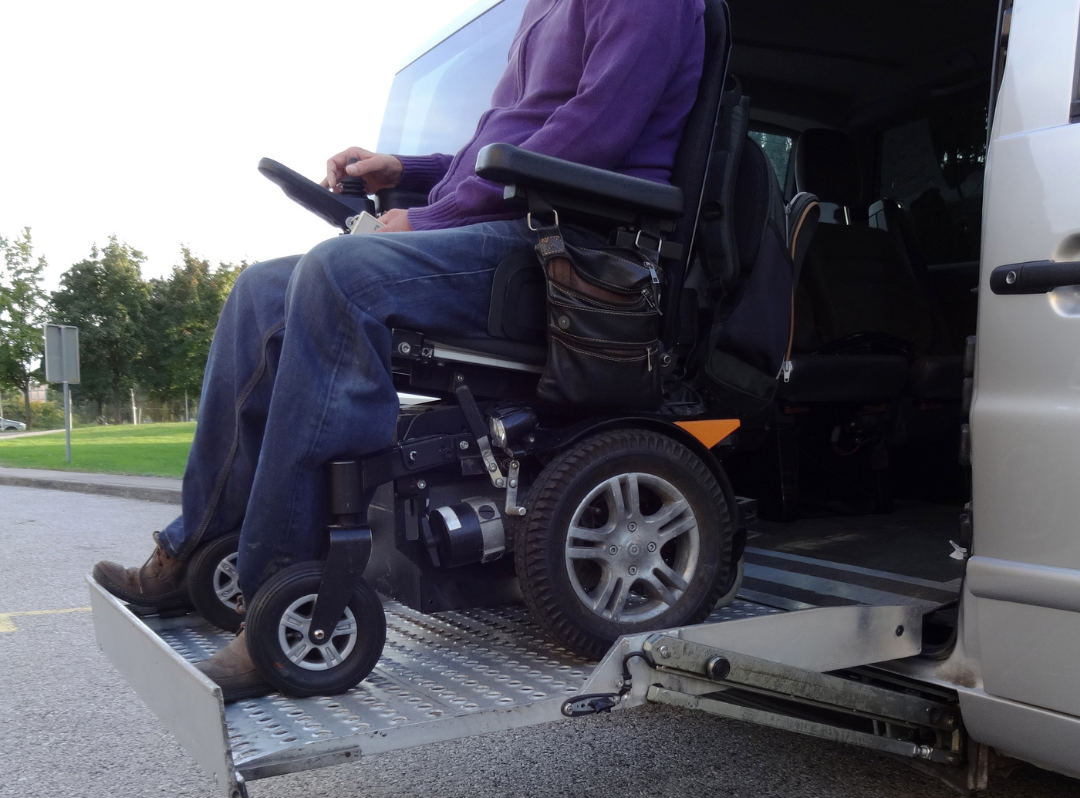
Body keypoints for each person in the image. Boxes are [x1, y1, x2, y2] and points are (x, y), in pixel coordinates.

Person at [92, 0, 707, 700]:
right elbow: (505, 145)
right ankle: (197, 547)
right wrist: (403, 171)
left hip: (569, 247)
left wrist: (429, 217)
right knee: (261, 290)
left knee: (341, 273)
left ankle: (282, 590)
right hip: (510, 228)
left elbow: (590, 137)